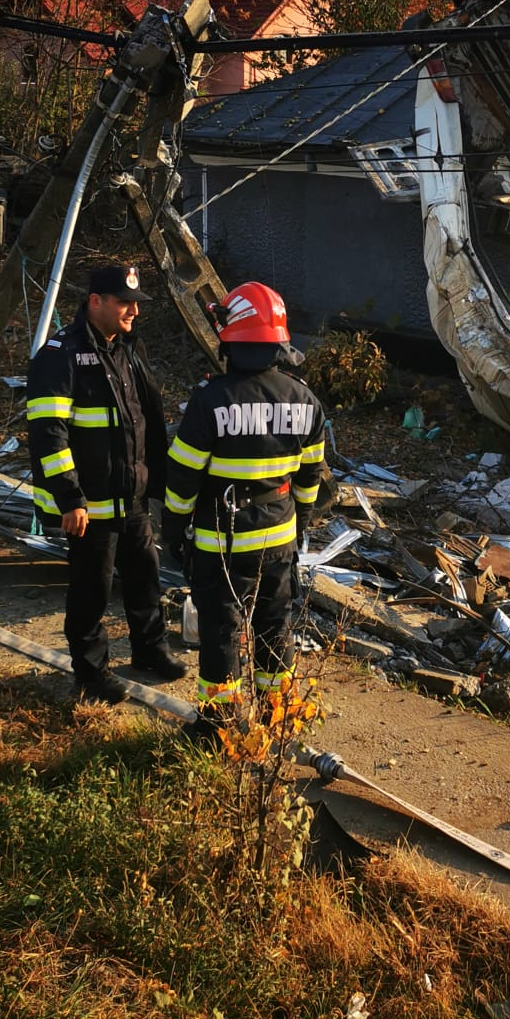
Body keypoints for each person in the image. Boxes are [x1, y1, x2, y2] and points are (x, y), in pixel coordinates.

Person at [161, 281, 325, 742]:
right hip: (280, 537)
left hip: (223, 539)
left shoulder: (211, 399)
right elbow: (310, 479)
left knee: (221, 631)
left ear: (230, 338)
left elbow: (183, 477)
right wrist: (301, 526)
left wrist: (174, 529)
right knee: (276, 626)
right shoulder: (304, 400)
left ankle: (219, 728)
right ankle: (279, 715)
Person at [27, 262, 186, 703]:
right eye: (124, 302)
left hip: (131, 497)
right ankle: (91, 673)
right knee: (91, 590)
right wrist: (70, 498)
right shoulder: (60, 355)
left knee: (145, 579)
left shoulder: (127, 350)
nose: (133, 311)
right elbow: (48, 432)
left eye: (136, 303)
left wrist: (156, 482)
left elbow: (143, 423)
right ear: (95, 301)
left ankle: (150, 651)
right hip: (90, 504)